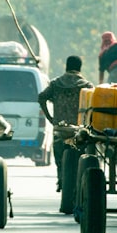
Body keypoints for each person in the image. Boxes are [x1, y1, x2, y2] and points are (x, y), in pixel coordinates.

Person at [38, 56, 94, 191]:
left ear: (66, 67)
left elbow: (41, 97)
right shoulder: (86, 86)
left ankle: (61, 180)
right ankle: (78, 183)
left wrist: (50, 118)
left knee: (59, 157)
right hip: (79, 130)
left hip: (60, 128)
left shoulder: (56, 84)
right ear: (80, 68)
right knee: (80, 156)